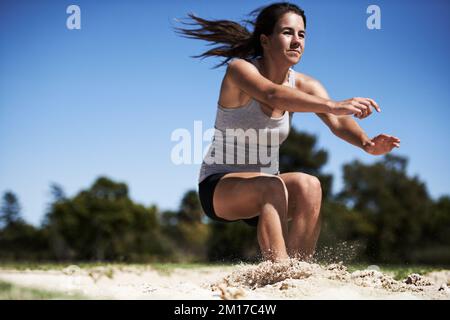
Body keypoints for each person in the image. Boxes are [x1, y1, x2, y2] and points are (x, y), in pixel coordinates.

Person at [175, 2, 400, 262]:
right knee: (271, 185)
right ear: (266, 40)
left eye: (301, 35)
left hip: (271, 188)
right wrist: (333, 104)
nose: (296, 41)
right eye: (287, 33)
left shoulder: (306, 84)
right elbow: (272, 94)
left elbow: (338, 124)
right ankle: (279, 272)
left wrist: (367, 143)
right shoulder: (240, 70)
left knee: (309, 185)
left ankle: (298, 273)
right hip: (220, 186)